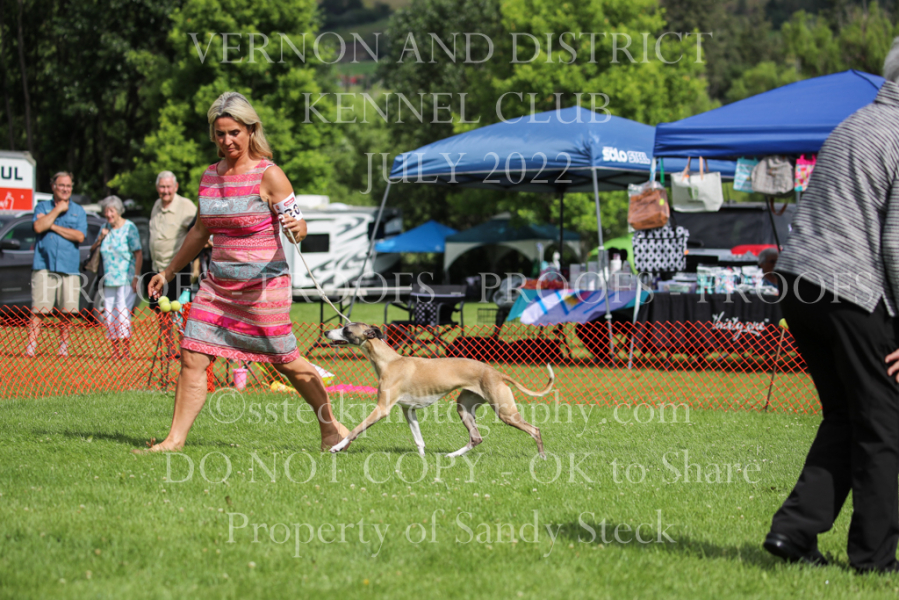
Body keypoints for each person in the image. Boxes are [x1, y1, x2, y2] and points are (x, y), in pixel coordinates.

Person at [143, 91, 347, 453]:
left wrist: (296, 228)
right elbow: (200, 232)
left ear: (251, 130)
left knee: (285, 362)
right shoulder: (210, 176)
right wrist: (169, 271)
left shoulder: (270, 175)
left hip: (263, 288)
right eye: (220, 133)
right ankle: (174, 440)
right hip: (217, 286)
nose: (227, 141)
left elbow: (298, 224)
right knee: (192, 355)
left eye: (234, 132)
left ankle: (331, 428)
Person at [763, 40, 899, 573]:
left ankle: (794, 532)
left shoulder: (854, 123)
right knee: (884, 424)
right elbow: (896, 245)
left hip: (800, 284)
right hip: (851, 289)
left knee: (847, 413)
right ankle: (875, 559)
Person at [24, 172, 87, 357]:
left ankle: (63, 348)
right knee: (39, 309)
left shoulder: (79, 211)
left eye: (68, 186)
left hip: (69, 266)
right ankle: (31, 348)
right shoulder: (42, 206)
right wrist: (57, 210)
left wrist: (51, 225)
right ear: (53, 186)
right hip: (44, 264)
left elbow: (79, 236)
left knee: (68, 311)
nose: (65, 189)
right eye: (61, 185)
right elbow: (38, 227)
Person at [149, 170, 197, 358]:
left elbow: (198, 231)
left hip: (178, 270)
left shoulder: (186, 206)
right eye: (162, 187)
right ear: (157, 188)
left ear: (176, 187)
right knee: (162, 312)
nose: (165, 190)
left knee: (180, 311)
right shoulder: (156, 205)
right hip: (157, 269)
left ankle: (184, 350)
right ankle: (169, 350)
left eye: (169, 186)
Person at [92, 195, 142, 358]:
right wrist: (101, 237)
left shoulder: (129, 227)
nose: (108, 214)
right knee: (109, 313)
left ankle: (125, 351)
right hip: (108, 279)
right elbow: (93, 249)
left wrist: (136, 277)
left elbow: (138, 253)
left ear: (119, 211)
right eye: (106, 211)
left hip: (126, 278)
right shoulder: (104, 227)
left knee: (122, 313)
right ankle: (115, 351)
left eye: (111, 211)